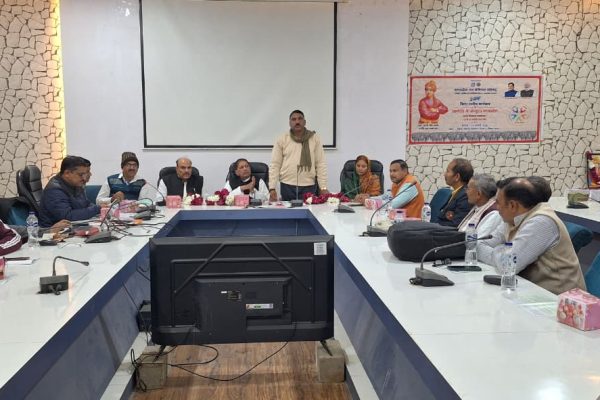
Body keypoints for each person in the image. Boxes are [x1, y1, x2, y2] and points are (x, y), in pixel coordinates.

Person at [478, 177, 586, 295]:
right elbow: (480, 244)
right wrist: (503, 252)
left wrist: (501, 252)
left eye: (498, 202)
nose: (496, 207)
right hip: (530, 291)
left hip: (560, 299)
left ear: (513, 205)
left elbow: (507, 265)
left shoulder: (542, 222)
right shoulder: (511, 218)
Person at [269, 110, 328, 202]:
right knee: (288, 211)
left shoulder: (314, 138)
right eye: (294, 119)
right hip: (287, 185)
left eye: (300, 119)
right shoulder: (282, 139)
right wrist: (272, 187)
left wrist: (323, 187)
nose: (297, 121)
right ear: (289, 123)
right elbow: (275, 164)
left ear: (304, 122)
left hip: (309, 186)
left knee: (309, 210)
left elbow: (320, 164)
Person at [39, 156, 101, 227]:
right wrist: (97, 209)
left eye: (86, 174)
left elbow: (86, 203)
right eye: (81, 175)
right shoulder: (54, 190)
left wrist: (101, 209)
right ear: (67, 173)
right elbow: (68, 217)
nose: (84, 178)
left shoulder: (75, 183)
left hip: (76, 226)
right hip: (56, 231)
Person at [457, 174, 502, 254]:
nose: (466, 191)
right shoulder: (477, 207)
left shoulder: (493, 213)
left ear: (478, 194)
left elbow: (476, 243)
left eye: (468, 188)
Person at [432, 158, 474, 227]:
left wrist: (432, 226)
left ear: (457, 177)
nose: (444, 174)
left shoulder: (465, 196)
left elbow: (455, 225)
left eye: (447, 171)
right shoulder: (457, 192)